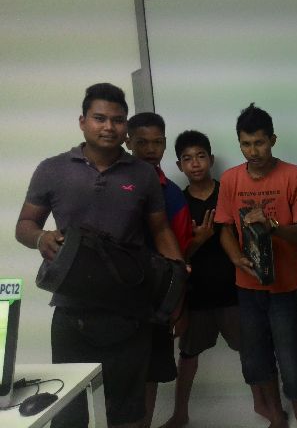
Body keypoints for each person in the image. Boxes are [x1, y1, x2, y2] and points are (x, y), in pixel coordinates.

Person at [15, 83, 184, 428]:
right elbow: (24, 225)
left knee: (128, 413)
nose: (109, 127)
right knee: (70, 413)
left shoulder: (143, 174)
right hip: (72, 310)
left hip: (130, 310)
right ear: (82, 122)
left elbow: (160, 230)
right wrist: (40, 237)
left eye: (117, 120)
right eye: (99, 118)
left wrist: (178, 277)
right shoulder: (53, 169)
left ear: (126, 128)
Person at [214, 104, 297, 428]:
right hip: (247, 288)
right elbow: (224, 228)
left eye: (259, 143)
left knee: (293, 364)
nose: (253, 151)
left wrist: (272, 226)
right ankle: (277, 419)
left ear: (273, 139)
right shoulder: (230, 179)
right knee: (256, 362)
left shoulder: (294, 175)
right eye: (245, 144)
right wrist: (234, 257)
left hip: (284, 288)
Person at [159, 130, 266, 428]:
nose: (195, 164)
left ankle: (261, 403)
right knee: (188, 357)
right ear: (179, 165)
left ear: (211, 159)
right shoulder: (177, 203)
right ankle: (180, 413)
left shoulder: (228, 193)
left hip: (235, 291)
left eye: (201, 156)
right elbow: (174, 255)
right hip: (196, 295)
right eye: (187, 159)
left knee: (251, 352)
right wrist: (198, 240)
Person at [125, 112, 193, 428]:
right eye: (142, 142)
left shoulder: (173, 195)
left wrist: (178, 305)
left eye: (158, 142)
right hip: (113, 300)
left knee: (149, 375)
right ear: (128, 142)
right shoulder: (111, 185)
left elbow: (180, 256)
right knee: (116, 376)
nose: (151, 150)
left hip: (154, 303)